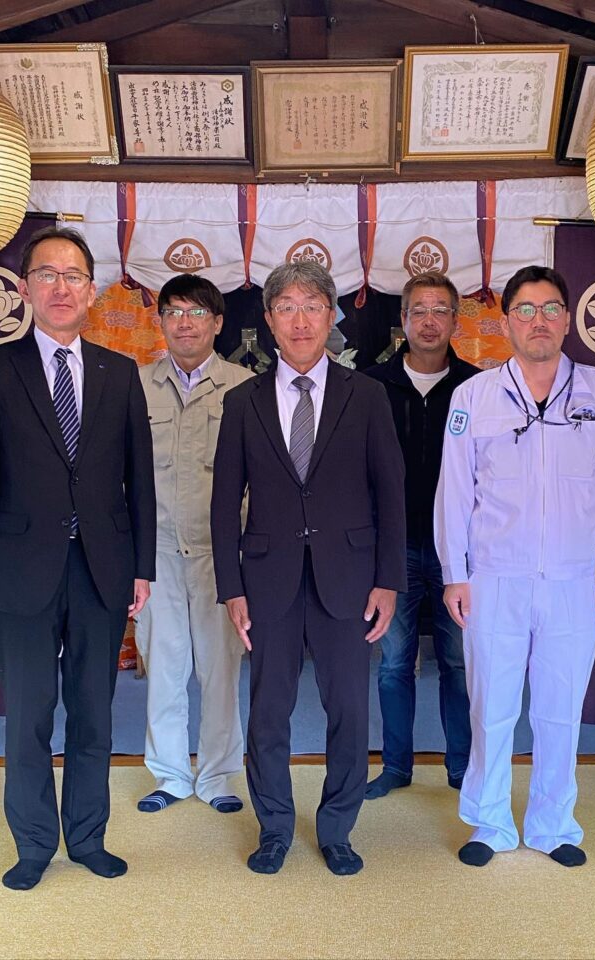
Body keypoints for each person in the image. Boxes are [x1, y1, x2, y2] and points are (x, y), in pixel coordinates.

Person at [0, 226, 156, 891]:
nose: (61, 287)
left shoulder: (118, 373)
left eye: (73, 276)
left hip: (101, 570)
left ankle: (89, 838)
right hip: (18, 573)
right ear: (25, 288)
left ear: (90, 290)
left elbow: (140, 479)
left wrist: (142, 566)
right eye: (48, 274)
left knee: (95, 714)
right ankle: (35, 844)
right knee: (30, 718)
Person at [435, 264, 595, 869]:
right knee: (491, 705)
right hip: (495, 577)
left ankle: (554, 825)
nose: (538, 321)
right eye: (525, 310)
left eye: (550, 308)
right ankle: (490, 822)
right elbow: (454, 493)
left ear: (569, 319)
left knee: (559, 706)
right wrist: (455, 572)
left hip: (574, 579)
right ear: (506, 323)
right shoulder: (473, 397)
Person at [211, 261, 406, 877]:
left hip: (348, 578)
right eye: (287, 306)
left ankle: (338, 829)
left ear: (331, 317)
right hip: (267, 580)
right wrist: (231, 588)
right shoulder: (241, 401)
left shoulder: (367, 395)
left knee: (349, 708)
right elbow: (223, 501)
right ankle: (273, 828)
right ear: (268, 321)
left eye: (312, 305)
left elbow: (391, 491)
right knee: (267, 710)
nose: (300, 318)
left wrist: (388, 579)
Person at [135, 274, 253, 816]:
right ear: (160, 321)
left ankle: (218, 775)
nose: (186, 322)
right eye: (175, 311)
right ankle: (170, 775)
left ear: (218, 323)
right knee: (163, 666)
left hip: (220, 556)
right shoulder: (134, 385)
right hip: (155, 551)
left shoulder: (244, 387)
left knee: (220, 669)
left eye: (198, 312)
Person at [363, 272, 478, 800]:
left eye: (441, 310)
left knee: (457, 662)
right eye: (419, 311)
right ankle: (395, 766)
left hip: (461, 552)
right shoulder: (371, 386)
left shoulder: (479, 388)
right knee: (394, 662)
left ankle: (461, 767)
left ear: (456, 319)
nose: (430, 320)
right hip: (394, 548)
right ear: (403, 321)